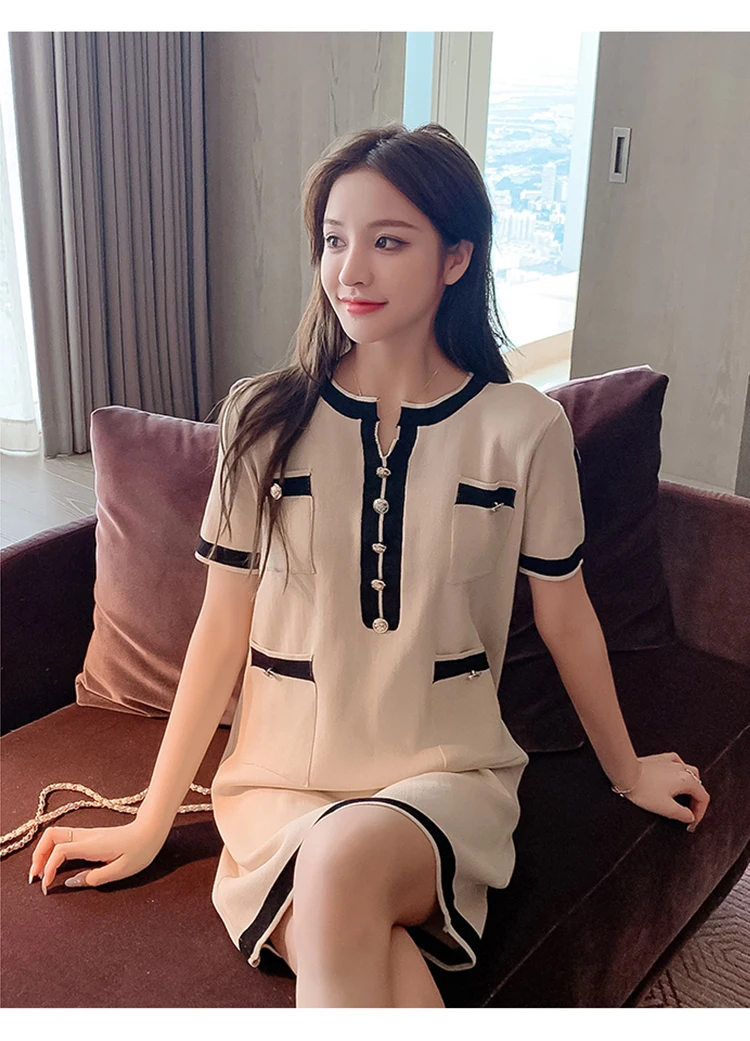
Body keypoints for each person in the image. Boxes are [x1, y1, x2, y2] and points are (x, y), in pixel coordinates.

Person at [28, 122, 710, 1008]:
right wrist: (152, 818)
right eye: (334, 240)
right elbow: (221, 626)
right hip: (278, 784)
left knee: (342, 863)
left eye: (388, 242)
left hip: (445, 774)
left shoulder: (523, 429)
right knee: (359, 928)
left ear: (456, 258)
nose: (351, 270)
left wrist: (626, 768)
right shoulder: (261, 419)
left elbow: (565, 613)